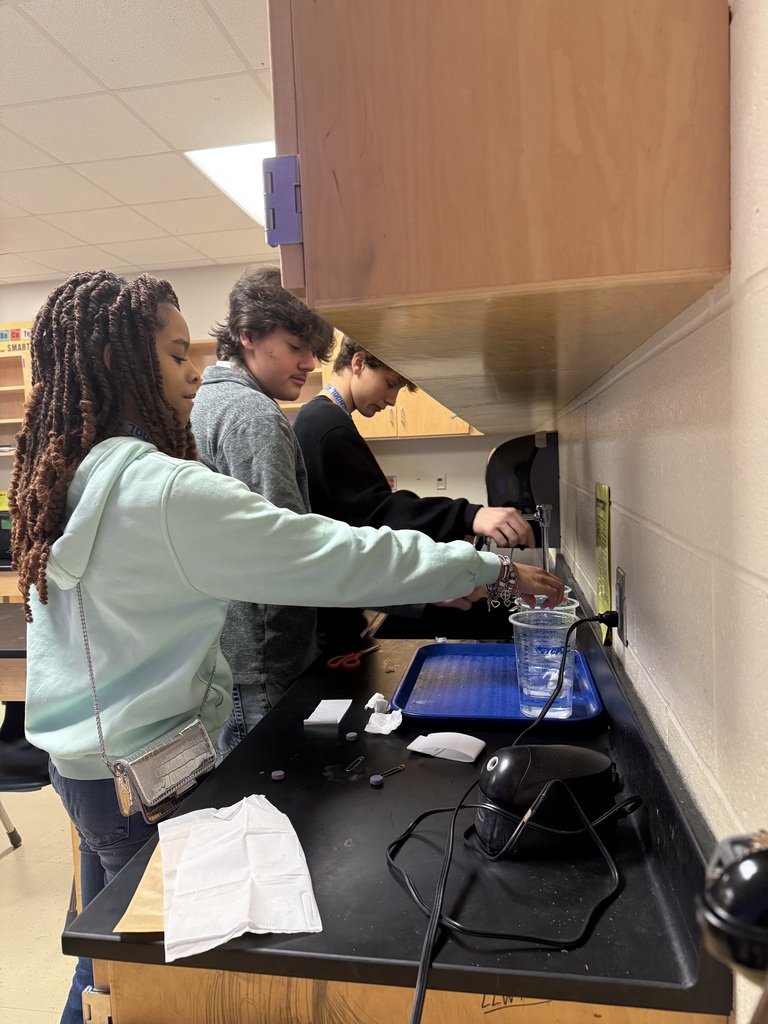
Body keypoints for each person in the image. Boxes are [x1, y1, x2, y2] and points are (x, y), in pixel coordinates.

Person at [10, 270, 563, 1024]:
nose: (193, 373)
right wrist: (480, 565)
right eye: (175, 356)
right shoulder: (161, 489)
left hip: (80, 767)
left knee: (108, 963)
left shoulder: (64, 473)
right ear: (122, 366)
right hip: (143, 775)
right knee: (149, 981)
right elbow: (323, 553)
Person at [293, 336, 538, 648]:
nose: (393, 399)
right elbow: (380, 515)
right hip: (329, 623)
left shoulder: (321, 419)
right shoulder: (329, 426)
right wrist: (470, 515)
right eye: (390, 383)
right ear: (357, 363)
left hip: (334, 609)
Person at [190, 266, 334, 754]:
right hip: (264, 658)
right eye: (296, 347)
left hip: (231, 651)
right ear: (247, 337)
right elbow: (289, 548)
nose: (310, 362)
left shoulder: (206, 403)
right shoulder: (251, 416)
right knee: (272, 804)